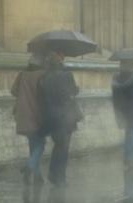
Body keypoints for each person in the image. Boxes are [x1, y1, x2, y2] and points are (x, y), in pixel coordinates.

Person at [37, 51, 82, 190]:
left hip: (50, 117)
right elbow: (70, 93)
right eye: (61, 56)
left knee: (58, 146)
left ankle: (53, 174)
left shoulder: (43, 77)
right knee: (63, 148)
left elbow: (41, 98)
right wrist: (75, 90)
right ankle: (59, 177)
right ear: (60, 60)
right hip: (64, 117)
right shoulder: (66, 74)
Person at [11, 54, 46, 185]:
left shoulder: (22, 74)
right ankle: (29, 167)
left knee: (33, 145)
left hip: (23, 114)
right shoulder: (42, 74)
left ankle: (37, 177)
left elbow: (13, 91)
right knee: (41, 145)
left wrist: (24, 94)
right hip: (36, 114)